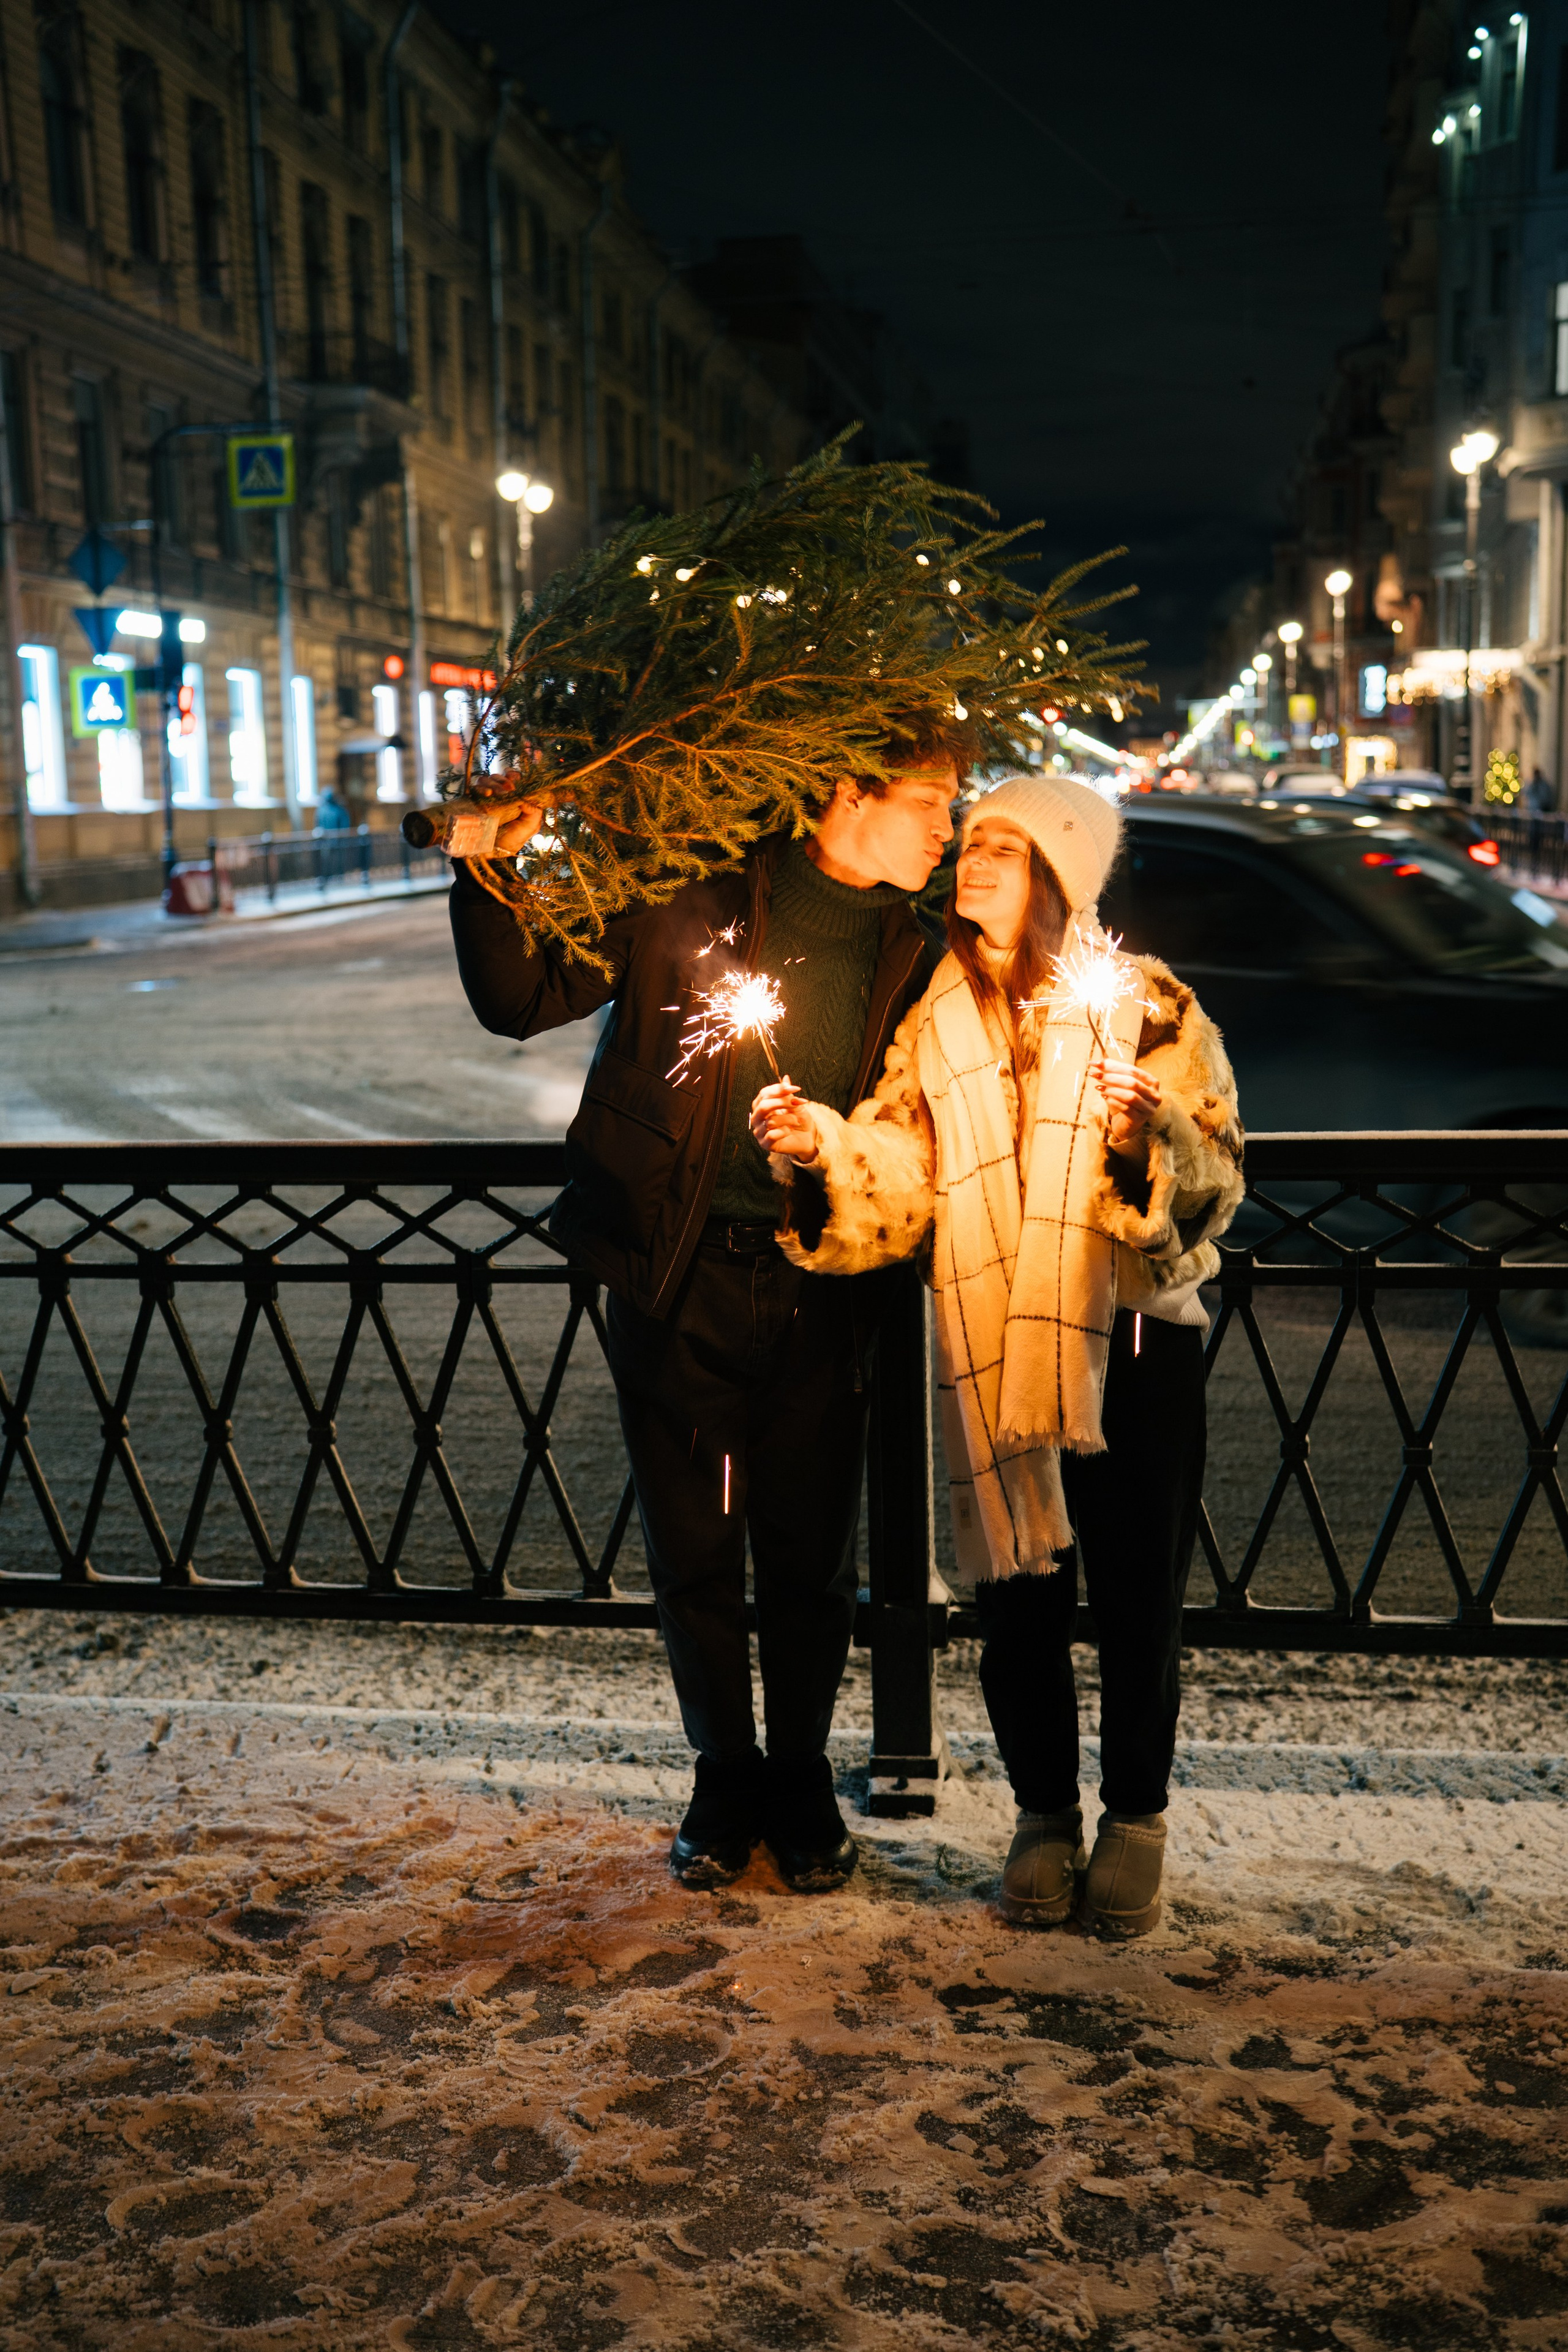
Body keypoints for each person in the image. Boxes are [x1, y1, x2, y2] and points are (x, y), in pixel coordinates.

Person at [446, 727, 959, 1891]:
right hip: (681, 1276)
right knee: (696, 1550)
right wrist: (484, 856)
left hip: (828, 1289)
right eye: (930, 800)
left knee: (810, 1559)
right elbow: (521, 995)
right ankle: (723, 1775)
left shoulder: (911, 955)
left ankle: (803, 1778)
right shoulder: (696, 903)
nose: (945, 827)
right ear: (847, 791)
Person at [751, 774, 1244, 1939]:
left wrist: (1149, 1139)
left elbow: (1218, 1177)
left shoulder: (1148, 1010)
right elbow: (902, 1169)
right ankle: (1043, 1814)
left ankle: (1134, 1819)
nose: (973, 864)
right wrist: (822, 1147)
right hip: (992, 1342)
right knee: (1018, 1596)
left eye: (1005, 851)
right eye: (972, 845)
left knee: (1134, 1599)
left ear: (1058, 881)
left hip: (1131, 1342)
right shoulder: (940, 1019)